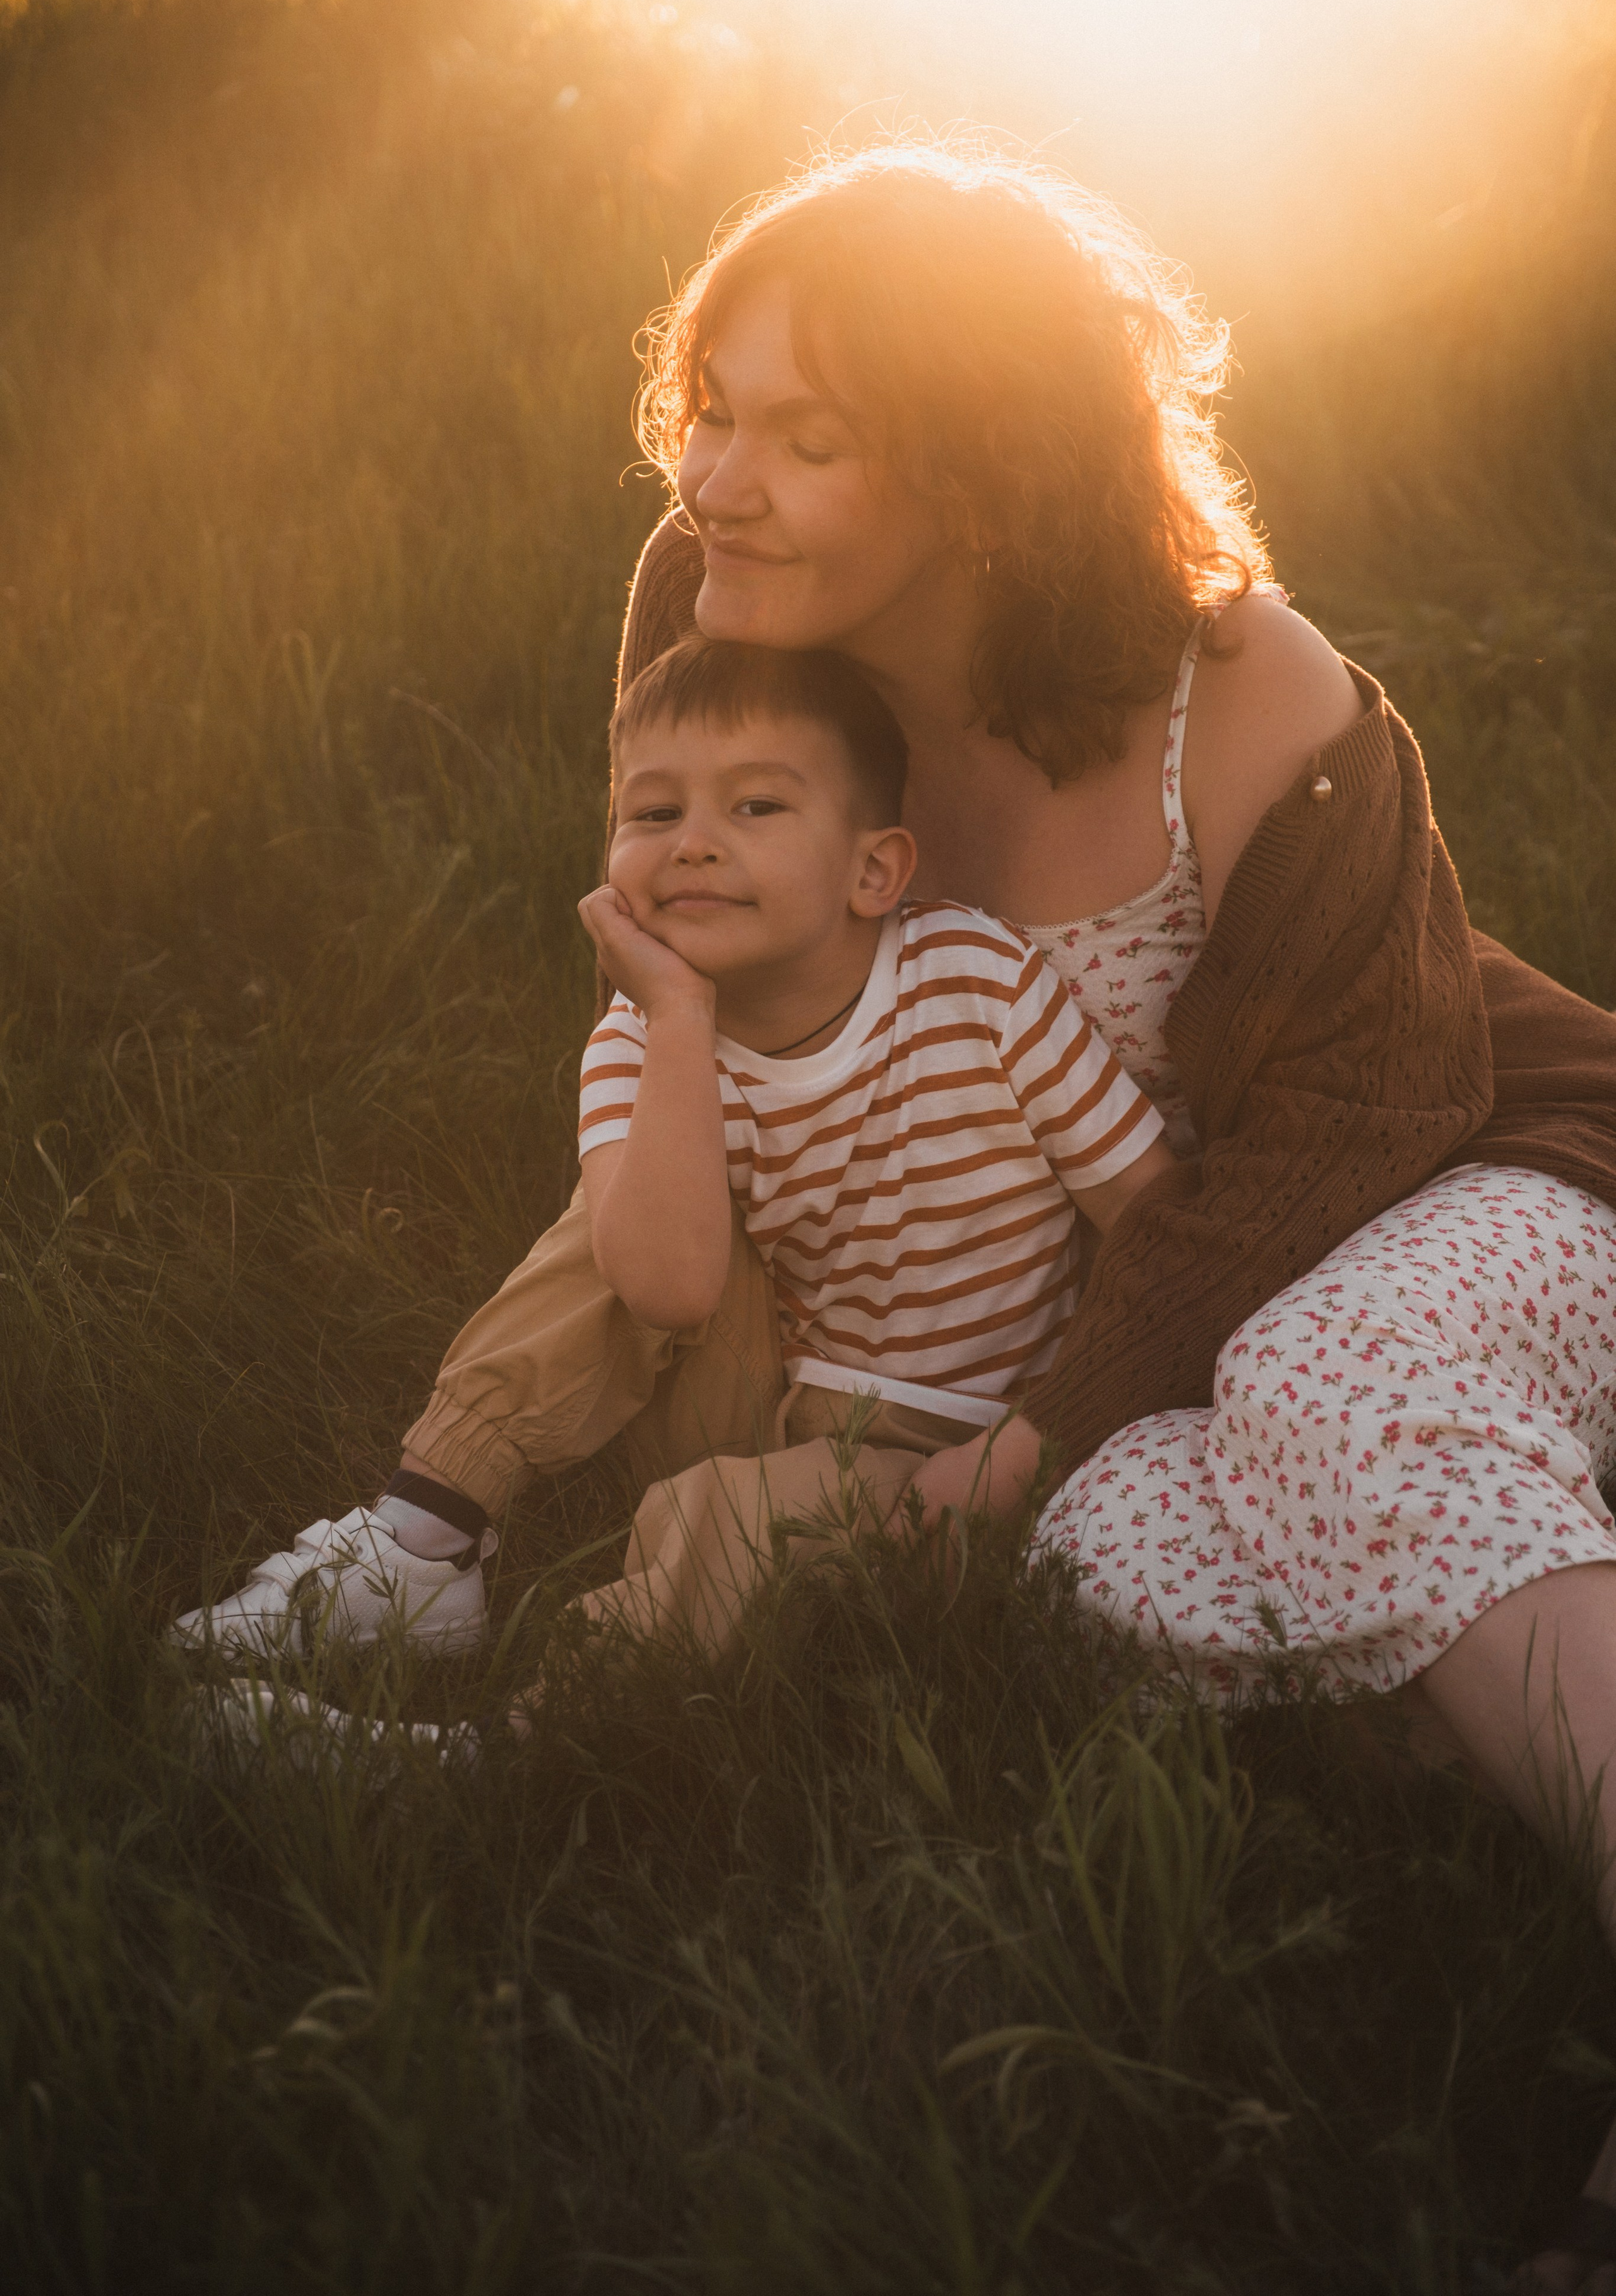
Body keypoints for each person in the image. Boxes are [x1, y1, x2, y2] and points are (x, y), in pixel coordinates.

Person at [174, 139, 1616, 2284]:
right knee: (1104, 1564)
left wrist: (1029, 1421)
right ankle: (1502, 1602)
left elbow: (1352, 1126)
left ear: (989, 468)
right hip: (1131, 1280)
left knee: (1314, 1377)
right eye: (712, 412)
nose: (718, 483)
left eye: (804, 436)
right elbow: (745, 1028)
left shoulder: (1258, 699)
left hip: (1478, 1179)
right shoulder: (715, 614)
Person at [560, 632, 1173, 1653]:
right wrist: (676, 1016)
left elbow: (1150, 1215)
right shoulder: (639, 1037)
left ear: (874, 870)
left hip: (1008, 1417)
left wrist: (1067, 1422)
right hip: (800, 1406)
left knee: (742, 1528)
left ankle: (504, 1746)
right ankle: (436, 1516)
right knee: (590, 1261)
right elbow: (663, 1289)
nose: (692, 844)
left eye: (756, 806)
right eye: (653, 813)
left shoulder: (975, 979)